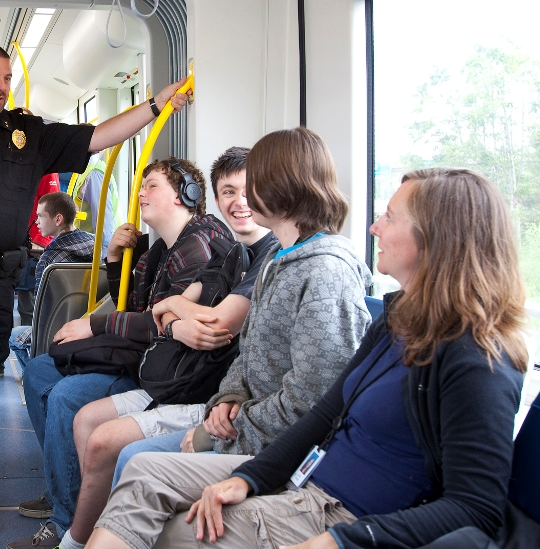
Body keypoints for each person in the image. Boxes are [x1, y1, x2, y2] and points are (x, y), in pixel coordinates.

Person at [88, 167, 529, 549]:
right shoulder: (397, 319)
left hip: (346, 516)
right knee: (144, 470)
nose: (374, 228)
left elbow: (476, 507)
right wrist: (252, 478)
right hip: (309, 479)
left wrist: (345, 540)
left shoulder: (479, 359)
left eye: (389, 218)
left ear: (437, 239)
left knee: (160, 536)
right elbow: (324, 415)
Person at [0, 43, 190, 528]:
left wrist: (157, 104)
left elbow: (99, 136)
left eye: (7, 78)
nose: (2, 86)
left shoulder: (29, 133)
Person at [8, 147, 278, 549]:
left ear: (183, 195)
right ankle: (69, 493)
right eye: (228, 193)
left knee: (66, 397)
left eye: (151, 185)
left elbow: (202, 323)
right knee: (42, 371)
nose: (141, 194)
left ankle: (71, 521)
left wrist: (104, 322)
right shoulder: (180, 250)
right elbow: (142, 307)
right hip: (163, 363)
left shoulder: (207, 246)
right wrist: (117, 259)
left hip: (174, 376)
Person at [9, 191, 96, 371]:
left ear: (58, 220)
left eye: (41, 216)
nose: (37, 221)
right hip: (90, 326)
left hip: (57, 331)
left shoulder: (49, 260)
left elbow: (42, 312)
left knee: (15, 336)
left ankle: (39, 373)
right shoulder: (94, 244)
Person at [14, 174, 61, 333]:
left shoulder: (47, 171)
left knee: (30, 307)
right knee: (23, 303)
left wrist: (41, 240)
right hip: (19, 243)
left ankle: (33, 348)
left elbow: (54, 205)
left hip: (34, 247)